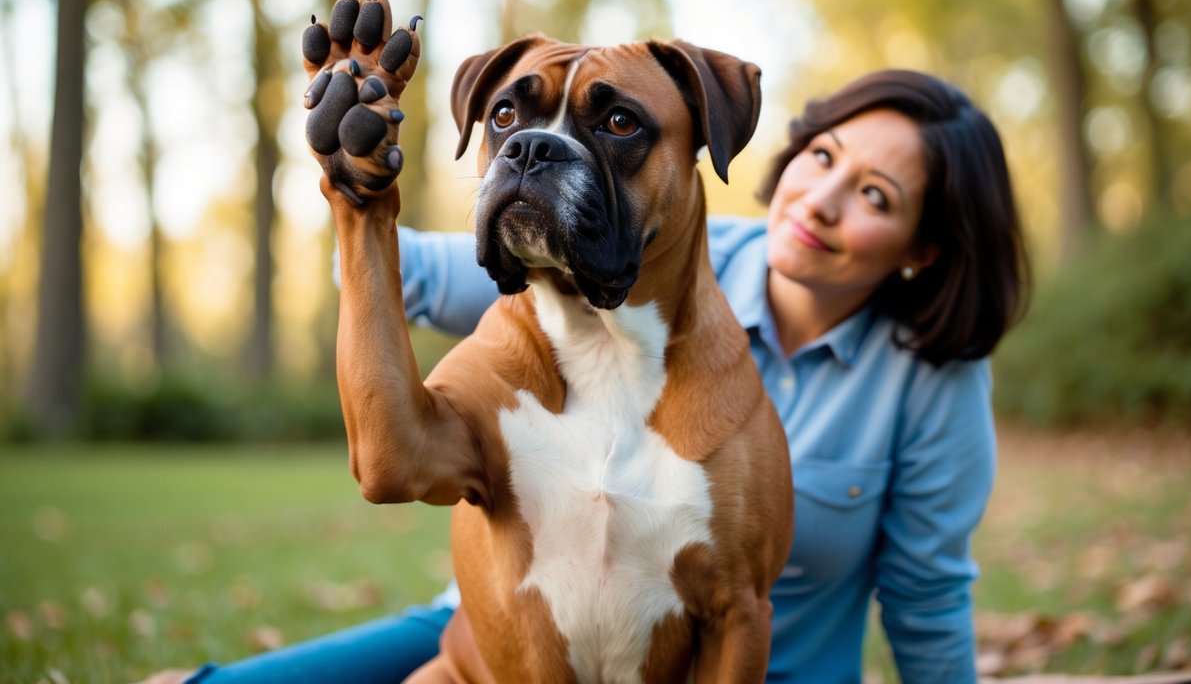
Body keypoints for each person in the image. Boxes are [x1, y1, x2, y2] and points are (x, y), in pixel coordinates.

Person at [144, 69, 1028, 684]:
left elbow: (925, 593)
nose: (822, 200)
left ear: (924, 246)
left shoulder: (927, 377)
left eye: (876, 196)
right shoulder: (655, 246)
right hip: (498, 629)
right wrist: (361, 184)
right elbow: (413, 273)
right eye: (822, 157)